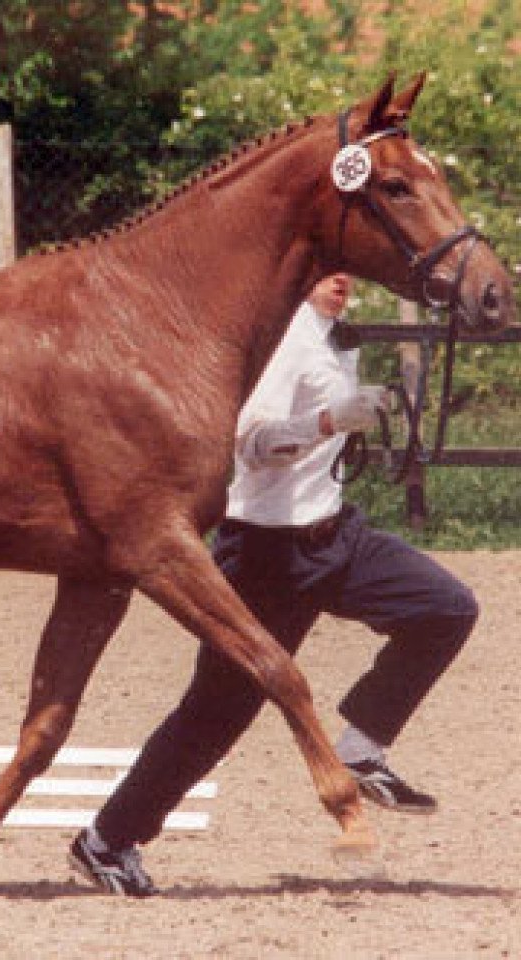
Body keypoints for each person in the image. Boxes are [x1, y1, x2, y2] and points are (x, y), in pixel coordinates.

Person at [69, 273, 479, 896]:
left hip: (335, 536)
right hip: (266, 555)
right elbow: (252, 444)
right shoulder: (283, 339)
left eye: (345, 270)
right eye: (326, 270)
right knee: (216, 715)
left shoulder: (332, 334)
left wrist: (359, 413)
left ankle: (361, 749)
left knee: (445, 608)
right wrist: (328, 419)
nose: (340, 280)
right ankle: (105, 841)